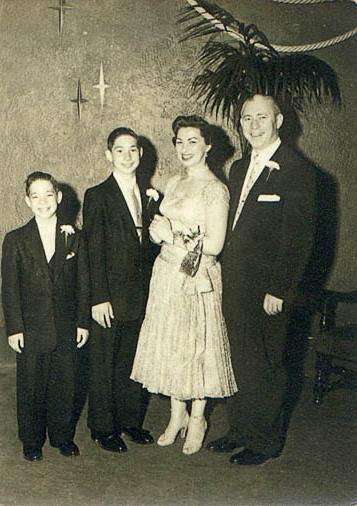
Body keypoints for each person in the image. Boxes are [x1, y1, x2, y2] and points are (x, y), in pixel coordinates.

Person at [207, 94, 316, 465]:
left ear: (279, 120)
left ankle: (265, 441)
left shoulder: (297, 169)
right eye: (247, 118)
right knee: (239, 359)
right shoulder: (239, 167)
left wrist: (280, 290)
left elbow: (298, 239)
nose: (254, 125)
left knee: (266, 364)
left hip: (269, 290)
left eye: (262, 118)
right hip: (234, 283)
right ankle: (240, 429)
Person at [131, 115, 237, 455]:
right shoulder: (174, 183)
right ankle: (176, 416)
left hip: (196, 278)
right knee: (173, 345)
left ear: (208, 146)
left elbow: (216, 244)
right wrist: (157, 232)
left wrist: (171, 235)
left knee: (196, 346)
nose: (185, 148)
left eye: (193, 141)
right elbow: (161, 227)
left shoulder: (215, 188)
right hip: (167, 274)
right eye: (179, 141)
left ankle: (197, 419)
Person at [1, 171, 90, 462]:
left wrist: (82, 322)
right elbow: (10, 288)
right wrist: (15, 328)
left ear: (59, 197)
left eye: (48, 195)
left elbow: (83, 283)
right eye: (35, 196)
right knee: (31, 384)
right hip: (32, 326)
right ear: (27, 201)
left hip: (65, 325)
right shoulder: (15, 240)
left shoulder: (74, 237)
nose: (43, 202)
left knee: (65, 381)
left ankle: (62, 436)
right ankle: (32, 439)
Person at [83, 127, 157, 453]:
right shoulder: (97, 195)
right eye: (120, 150)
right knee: (104, 363)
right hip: (110, 297)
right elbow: (93, 251)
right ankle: (102, 427)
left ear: (140, 154)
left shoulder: (151, 196)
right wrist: (98, 298)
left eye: (133, 150)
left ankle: (130, 422)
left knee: (134, 362)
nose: (127, 156)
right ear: (108, 154)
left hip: (141, 297)